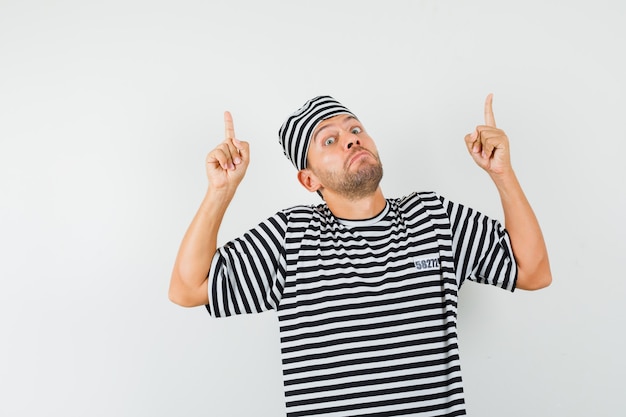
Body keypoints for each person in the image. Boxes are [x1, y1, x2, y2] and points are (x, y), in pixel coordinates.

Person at [169, 94, 552, 416]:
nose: (351, 140)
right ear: (310, 179)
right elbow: (187, 287)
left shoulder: (433, 217)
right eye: (329, 141)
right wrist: (220, 191)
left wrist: (502, 174)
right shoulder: (291, 237)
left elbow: (533, 271)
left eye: (355, 129)